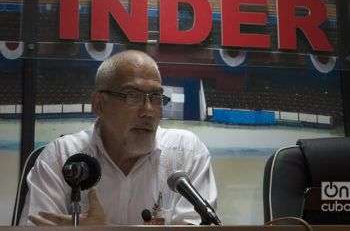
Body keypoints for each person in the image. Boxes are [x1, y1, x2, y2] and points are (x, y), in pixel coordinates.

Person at [21, 50, 218, 225]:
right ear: (99, 104)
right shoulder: (61, 157)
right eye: (132, 96)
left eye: (156, 97)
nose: (148, 111)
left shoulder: (186, 153)